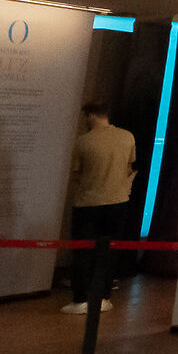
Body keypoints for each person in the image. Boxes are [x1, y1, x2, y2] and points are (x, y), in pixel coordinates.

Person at [62, 102, 136, 314]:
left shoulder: (83, 142)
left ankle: (81, 297)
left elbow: (77, 173)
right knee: (109, 252)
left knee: (84, 251)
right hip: (118, 201)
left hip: (88, 203)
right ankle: (104, 296)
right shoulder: (127, 137)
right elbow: (129, 167)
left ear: (91, 115)